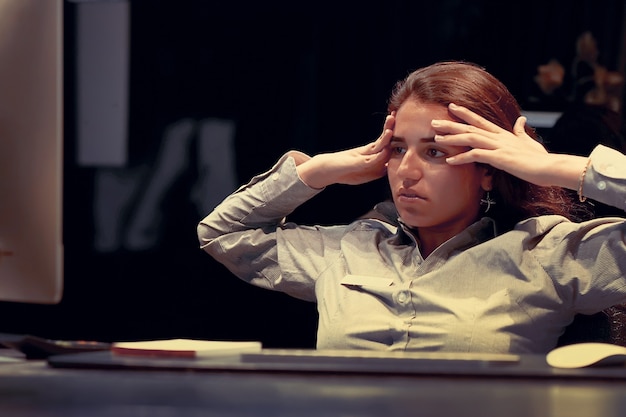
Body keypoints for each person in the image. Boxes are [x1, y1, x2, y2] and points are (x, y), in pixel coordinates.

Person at [197, 61, 626, 354]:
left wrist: (555, 167)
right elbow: (222, 234)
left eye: (435, 153)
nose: (407, 171)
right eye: (399, 149)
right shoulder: (350, 251)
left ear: (490, 168)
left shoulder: (546, 255)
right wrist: (318, 171)